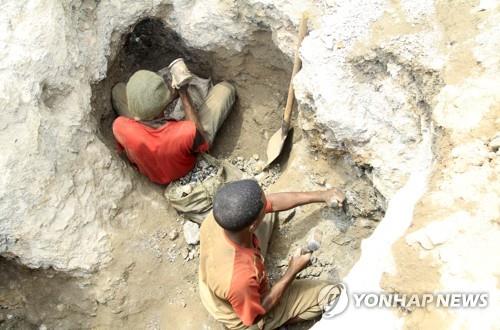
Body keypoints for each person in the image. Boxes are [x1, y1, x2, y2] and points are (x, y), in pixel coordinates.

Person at [199, 179, 346, 329]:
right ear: (253, 226)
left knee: (268, 214)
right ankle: (276, 321)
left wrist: (322, 195)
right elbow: (254, 316)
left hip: (217, 281)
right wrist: (291, 271)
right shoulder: (240, 279)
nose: (269, 203)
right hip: (243, 315)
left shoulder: (221, 215)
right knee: (332, 293)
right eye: (265, 204)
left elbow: (272, 203)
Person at [111, 62, 236, 185]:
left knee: (118, 91)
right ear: (162, 108)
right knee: (225, 89)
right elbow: (196, 133)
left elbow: (149, 117)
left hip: (151, 166)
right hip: (181, 167)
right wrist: (183, 94)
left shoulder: (120, 126)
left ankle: (145, 105)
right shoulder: (185, 133)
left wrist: (164, 100)